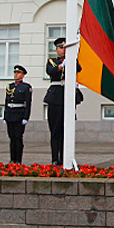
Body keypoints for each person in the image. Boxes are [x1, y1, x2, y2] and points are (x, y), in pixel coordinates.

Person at [44, 37, 82, 165]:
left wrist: (71, 59)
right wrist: (62, 66)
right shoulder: (51, 61)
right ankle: (55, 158)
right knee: (55, 130)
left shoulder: (71, 61)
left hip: (68, 95)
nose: (63, 50)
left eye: (65, 48)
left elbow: (78, 68)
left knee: (67, 129)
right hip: (55, 96)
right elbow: (51, 72)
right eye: (61, 48)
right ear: (56, 50)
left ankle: (66, 156)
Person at [4, 65, 32, 164]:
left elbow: (28, 103)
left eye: (18, 73)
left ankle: (18, 159)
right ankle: (12, 159)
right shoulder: (10, 86)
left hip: (19, 114)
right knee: (11, 138)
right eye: (15, 73)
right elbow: (6, 101)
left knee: (18, 137)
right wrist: (5, 115)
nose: (16, 74)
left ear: (23, 75)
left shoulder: (26, 87)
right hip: (10, 114)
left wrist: (26, 117)